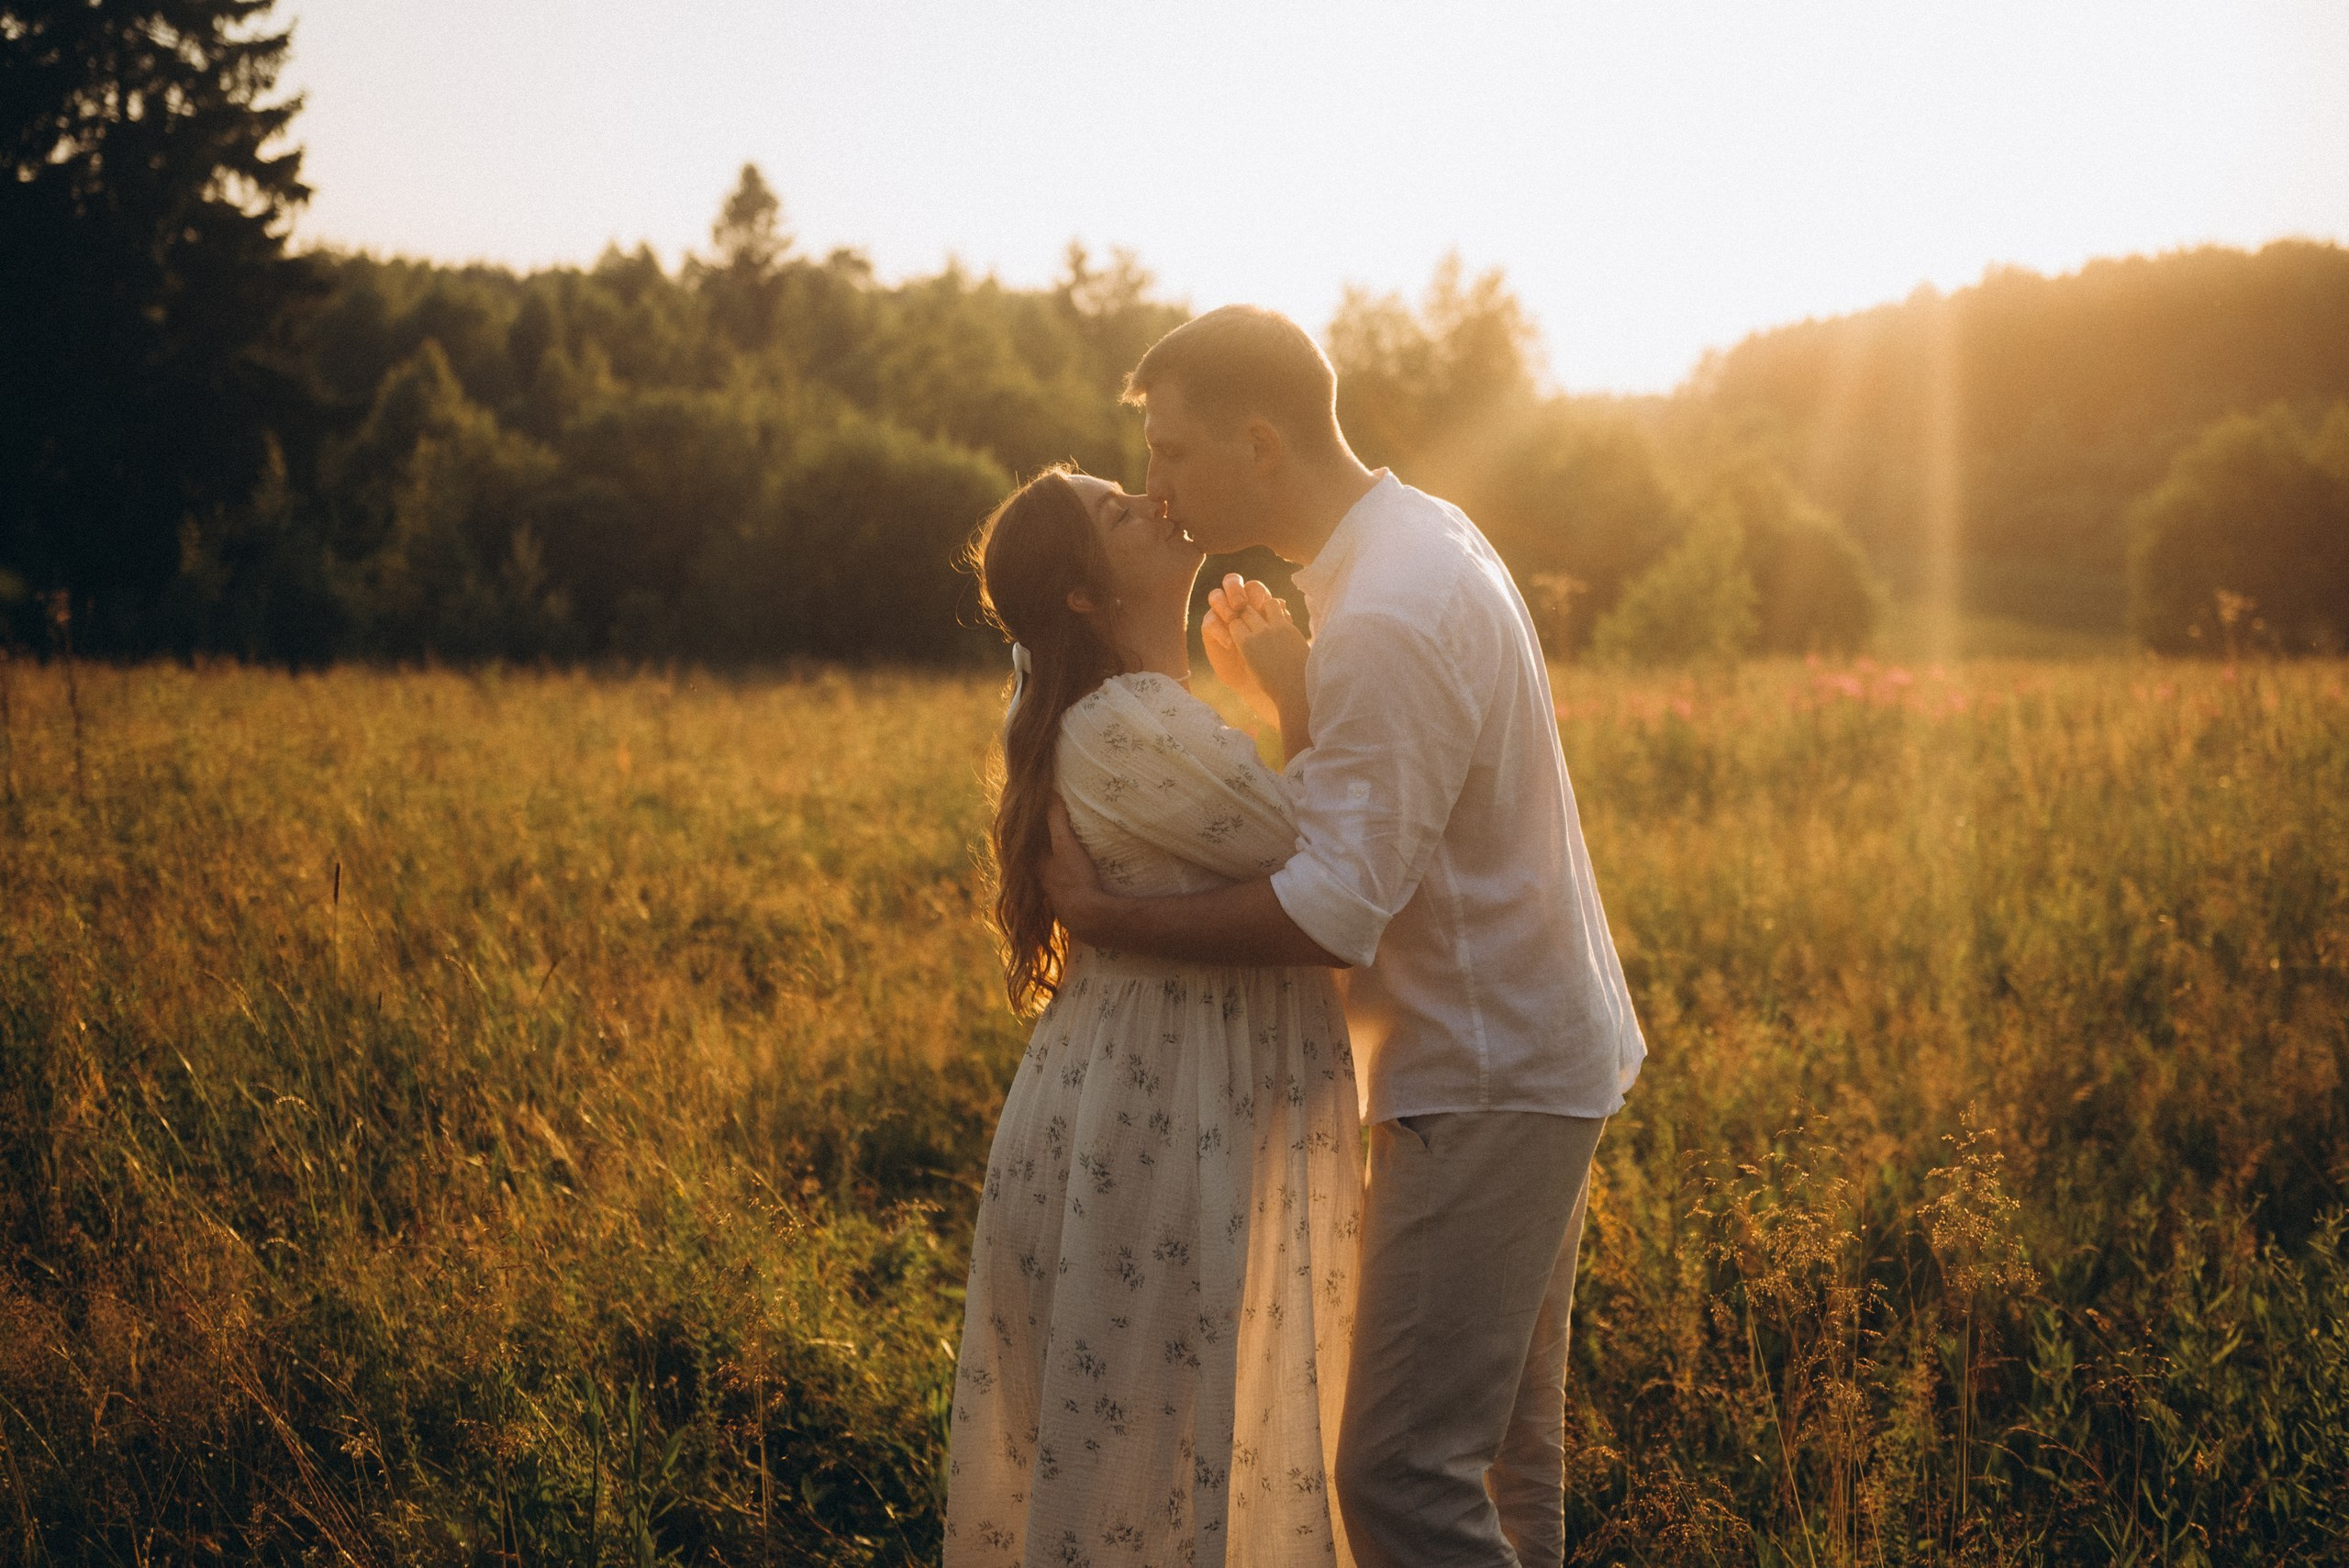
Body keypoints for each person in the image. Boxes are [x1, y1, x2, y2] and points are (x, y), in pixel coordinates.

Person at [1039, 306, 1646, 1567]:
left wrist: (1108, 918)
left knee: (1396, 1480)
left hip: (1480, 1075)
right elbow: (1375, 821)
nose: (1156, 485)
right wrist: (1295, 697)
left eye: (1171, 452)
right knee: (1503, 1469)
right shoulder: (1417, 542)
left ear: (1260, 444)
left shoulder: (1387, 609)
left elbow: (1333, 906)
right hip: (1530, 1053)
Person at [943, 463, 1362, 1567]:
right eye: (1115, 511)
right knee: (1164, 1453)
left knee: (1164, 1447)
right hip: (1171, 1112)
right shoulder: (1127, 719)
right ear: (1082, 594)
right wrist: (1292, 690)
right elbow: (1339, 869)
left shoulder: (1142, 714)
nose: (1149, 499)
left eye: (1132, 485)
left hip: (1161, 1096)